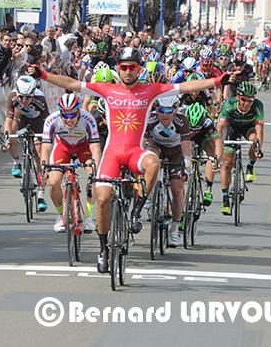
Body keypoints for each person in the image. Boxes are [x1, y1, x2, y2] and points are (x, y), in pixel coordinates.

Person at [27, 47, 233, 273]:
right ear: (118, 68)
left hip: (135, 152)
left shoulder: (151, 90)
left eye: (132, 67)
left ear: (139, 69)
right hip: (112, 154)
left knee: (153, 162)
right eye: (123, 67)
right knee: (103, 199)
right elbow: (72, 84)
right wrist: (44, 75)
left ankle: (137, 209)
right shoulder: (108, 89)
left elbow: (185, 86)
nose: (127, 71)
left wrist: (217, 81)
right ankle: (104, 249)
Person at [40, 93, 101, 233]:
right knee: (54, 182)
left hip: (83, 147)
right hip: (63, 147)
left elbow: (95, 147)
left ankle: (88, 217)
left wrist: (96, 169)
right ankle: (61, 215)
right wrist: (44, 167)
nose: (69, 119)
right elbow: (46, 147)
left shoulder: (88, 119)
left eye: (72, 115)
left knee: (94, 177)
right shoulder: (51, 120)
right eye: (65, 115)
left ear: (79, 111)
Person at [144, 96, 191, 247]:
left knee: (177, 188)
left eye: (168, 111)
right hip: (156, 147)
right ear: (155, 110)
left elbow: (186, 145)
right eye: (161, 111)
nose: (164, 115)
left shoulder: (181, 121)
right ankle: (149, 194)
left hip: (175, 152)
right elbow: (142, 143)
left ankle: (174, 229)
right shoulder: (149, 120)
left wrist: (187, 165)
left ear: (175, 110)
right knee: (150, 156)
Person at [217, 81, 264, 215]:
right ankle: (225, 198)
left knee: (255, 140)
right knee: (227, 162)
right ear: (238, 98)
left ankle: (250, 165)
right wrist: (218, 149)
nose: (247, 103)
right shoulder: (229, 105)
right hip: (232, 128)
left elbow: (260, 128)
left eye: (250, 100)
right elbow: (219, 130)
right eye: (244, 100)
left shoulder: (258, 106)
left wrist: (259, 148)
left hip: (248, 128)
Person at [4, 75, 50, 211]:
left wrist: (41, 139)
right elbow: (8, 118)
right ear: (17, 93)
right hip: (21, 117)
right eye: (21, 97)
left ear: (33, 94)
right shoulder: (12, 97)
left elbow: (46, 123)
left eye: (28, 97)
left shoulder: (40, 99)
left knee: (40, 157)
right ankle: (16, 162)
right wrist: (7, 137)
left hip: (37, 121)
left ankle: (41, 195)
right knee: (11, 128)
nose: (24, 100)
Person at [182, 101, 223, 206]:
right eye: (191, 129)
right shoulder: (180, 117)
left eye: (195, 129)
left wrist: (217, 160)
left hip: (202, 136)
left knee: (211, 152)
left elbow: (218, 141)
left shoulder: (207, 122)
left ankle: (208, 188)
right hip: (183, 136)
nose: (192, 132)